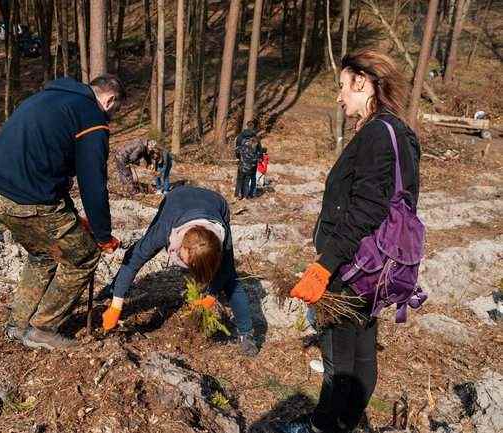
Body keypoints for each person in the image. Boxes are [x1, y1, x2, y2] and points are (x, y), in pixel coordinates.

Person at [281, 49, 420, 433]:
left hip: (353, 268)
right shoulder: (401, 132)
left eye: (342, 86)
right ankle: (346, 423)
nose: (339, 97)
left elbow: (366, 209)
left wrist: (324, 265)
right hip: (379, 267)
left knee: (339, 362)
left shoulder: (377, 133)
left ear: (362, 81)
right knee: (361, 355)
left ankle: (323, 427)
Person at [0, 74, 125, 350]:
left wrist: (78, 220)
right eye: (113, 112)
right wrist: (103, 235)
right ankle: (43, 328)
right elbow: (93, 183)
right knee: (83, 256)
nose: (110, 119)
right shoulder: (92, 118)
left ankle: (17, 324)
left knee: (44, 252)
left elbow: (49, 173)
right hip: (25, 198)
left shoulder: (51, 97)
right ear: (109, 100)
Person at [100, 185, 259, 357]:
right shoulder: (165, 229)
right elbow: (133, 260)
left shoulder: (222, 237)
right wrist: (116, 306)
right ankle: (114, 287)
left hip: (216, 203)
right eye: (185, 260)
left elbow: (226, 271)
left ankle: (246, 333)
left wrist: (211, 295)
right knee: (144, 249)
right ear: (181, 244)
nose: (184, 264)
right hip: (176, 199)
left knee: (231, 280)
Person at [234, 120, 259, 198]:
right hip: (251, 164)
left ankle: (238, 194)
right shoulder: (255, 138)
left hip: (242, 162)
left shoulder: (240, 136)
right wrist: (258, 158)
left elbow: (237, 149)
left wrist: (238, 157)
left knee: (240, 179)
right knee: (250, 179)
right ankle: (250, 194)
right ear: (253, 127)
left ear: (247, 126)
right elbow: (259, 150)